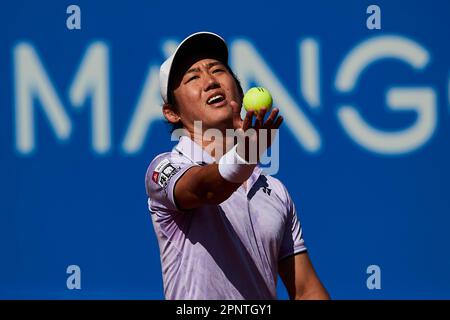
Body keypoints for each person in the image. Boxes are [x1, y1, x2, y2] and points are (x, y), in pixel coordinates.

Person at [145, 31, 329, 300]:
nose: (210, 81)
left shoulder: (275, 191)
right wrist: (247, 152)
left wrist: (247, 153)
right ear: (172, 112)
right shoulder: (164, 168)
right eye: (193, 77)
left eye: (218, 70)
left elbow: (306, 290)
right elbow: (208, 190)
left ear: (239, 92)